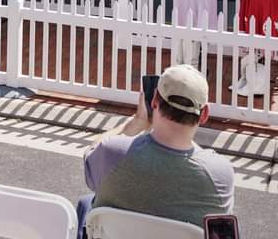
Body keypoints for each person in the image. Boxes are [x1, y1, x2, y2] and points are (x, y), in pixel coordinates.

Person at [77, 65, 234, 237]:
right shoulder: (220, 175)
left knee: (86, 205)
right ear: (204, 115)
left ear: (154, 102)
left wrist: (136, 123)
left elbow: (91, 153)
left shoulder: (111, 153)